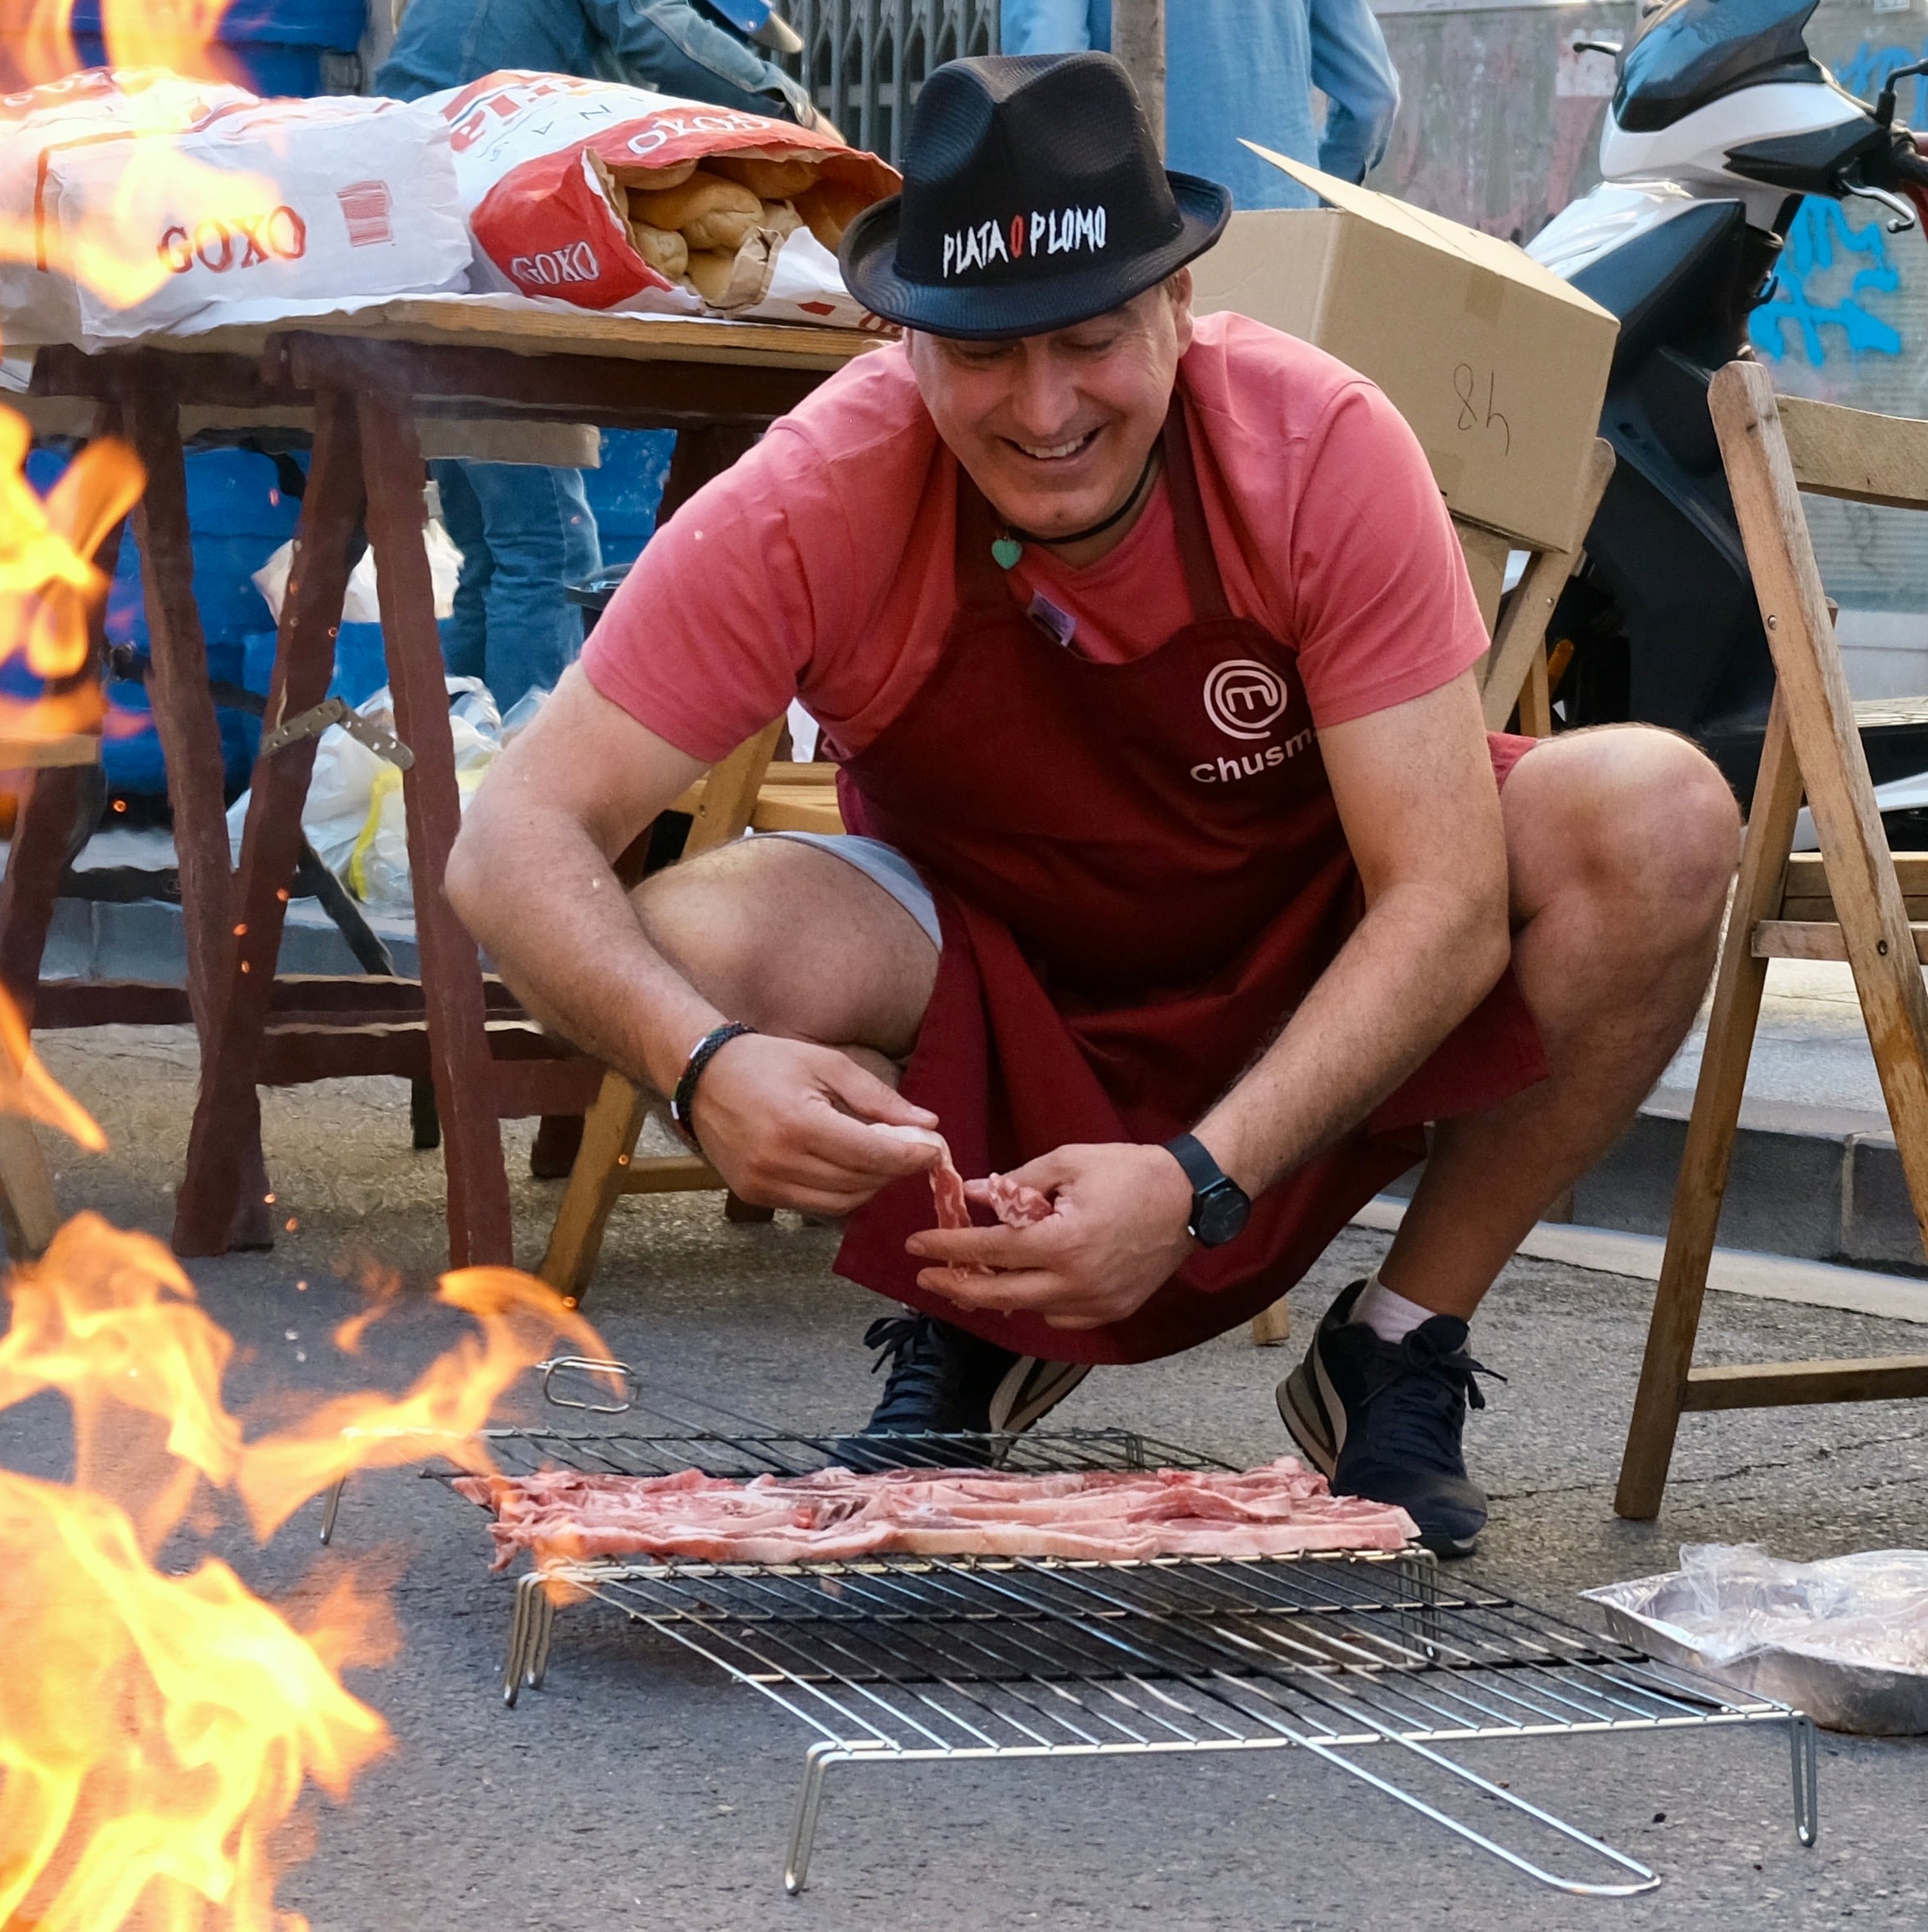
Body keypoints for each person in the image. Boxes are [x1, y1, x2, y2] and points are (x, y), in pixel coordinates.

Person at [447, 54, 1741, 1556]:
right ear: (903, 338)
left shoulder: (1314, 442)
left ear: (1180, 310)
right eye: (982, 355)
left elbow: (1442, 902)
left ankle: (1395, 1343)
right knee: (695, 944)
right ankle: (983, 1312)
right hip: (1003, 968)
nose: (1043, 410)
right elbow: (506, 846)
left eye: (1090, 341)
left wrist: (1200, 1180)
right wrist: (703, 1065)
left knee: (1656, 811)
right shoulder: (814, 492)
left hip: (1308, 943)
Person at [375, 0, 821, 712]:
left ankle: (451, 786)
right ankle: (524, 797)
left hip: (413, 222)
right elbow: (657, 30)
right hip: (462, 227)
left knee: (498, 554)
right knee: (546, 549)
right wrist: (797, 118)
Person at [1002, 0, 1399, 211]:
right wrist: (1305, 196)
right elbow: (1372, 99)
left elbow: (1048, 74)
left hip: (1145, 243)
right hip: (1288, 239)